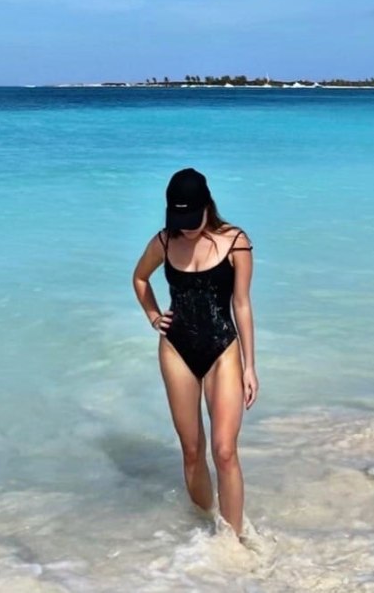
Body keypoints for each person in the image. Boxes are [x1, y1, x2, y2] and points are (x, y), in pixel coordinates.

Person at [131, 167, 258, 539]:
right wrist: (154, 315)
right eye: (179, 219)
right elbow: (139, 278)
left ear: (208, 206)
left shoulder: (236, 242)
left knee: (224, 451)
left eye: (192, 218)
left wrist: (250, 367)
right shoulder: (164, 242)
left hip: (223, 350)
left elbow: (242, 305)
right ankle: (206, 527)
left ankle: (233, 540)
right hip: (177, 351)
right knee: (191, 450)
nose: (186, 227)